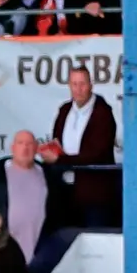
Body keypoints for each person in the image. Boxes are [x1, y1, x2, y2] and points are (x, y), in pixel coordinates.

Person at [39, 65, 118, 227]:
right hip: (65, 191)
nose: (78, 89)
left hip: (94, 194)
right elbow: (57, 140)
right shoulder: (64, 110)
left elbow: (97, 153)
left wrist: (60, 159)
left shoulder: (103, 113)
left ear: (91, 85)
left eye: (82, 84)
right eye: (74, 84)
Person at [0, 130, 59, 262]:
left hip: (39, 254)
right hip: (3, 253)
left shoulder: (47, 175)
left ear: (36, 148)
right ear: (12, 148)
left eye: (29, 144)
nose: (25, 148)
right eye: (20, 143)